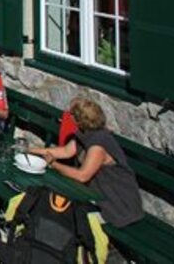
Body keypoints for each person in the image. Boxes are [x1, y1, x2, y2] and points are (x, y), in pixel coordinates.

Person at [27, 96, 143, 228]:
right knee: (55, 203)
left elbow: (82, 176)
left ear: (79, 120)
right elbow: (65, 151)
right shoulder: (85, 134)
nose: (67, 116)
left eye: (70, 114)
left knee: (68, 215)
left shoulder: (98, 145)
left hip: (118, 205)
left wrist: (53, 164)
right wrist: (29, 149)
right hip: (99, 196)